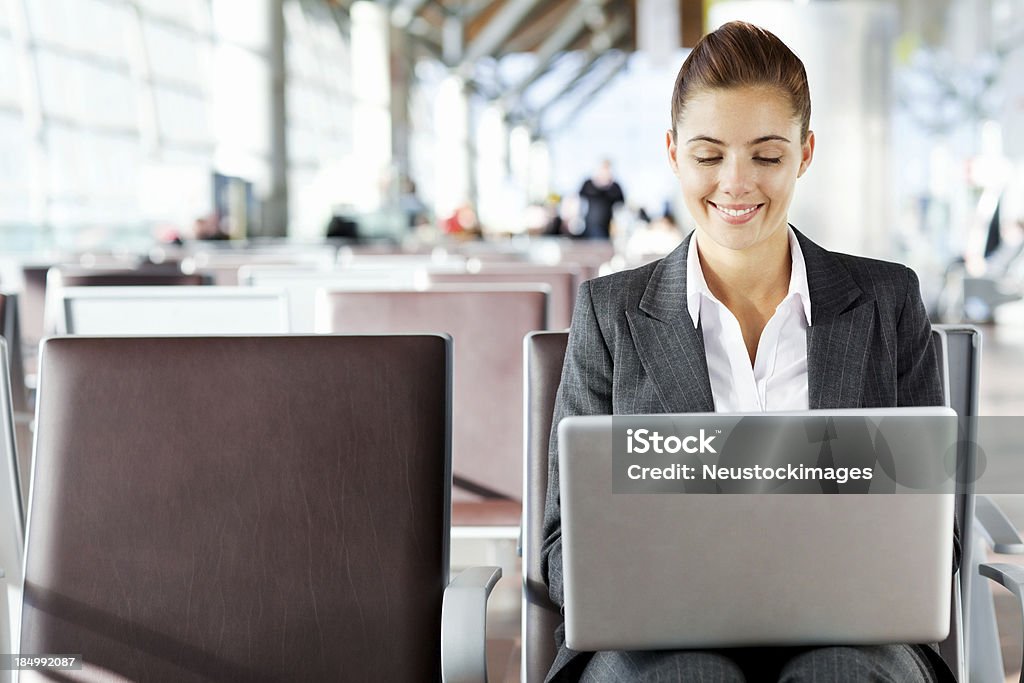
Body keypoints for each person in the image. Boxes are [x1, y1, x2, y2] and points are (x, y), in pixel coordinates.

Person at [541, 21, 956, 683]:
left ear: (805, 152)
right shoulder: (611, 312)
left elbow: (934, 530)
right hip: (656, 637)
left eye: (766, 155)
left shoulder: (887, 301)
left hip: (854, 632)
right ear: (673, 152)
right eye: (709, 155)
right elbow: (562, 544)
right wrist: (660, 591)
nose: (736, 183)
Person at [579, 160, 625, 239]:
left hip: (607, 228)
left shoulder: (614, 188)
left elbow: (621, 205)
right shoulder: (589, 184)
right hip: (588, 225)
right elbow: (579, 198)